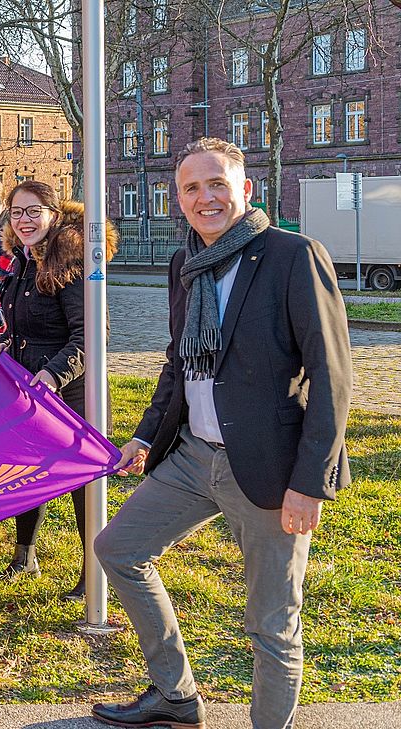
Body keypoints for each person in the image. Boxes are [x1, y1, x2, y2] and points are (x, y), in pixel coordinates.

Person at [91, 138, 352, 729]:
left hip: (266, 466)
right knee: (119, 549)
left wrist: (310, 482)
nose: (204, 198)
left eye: (216, 185)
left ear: (245, 190)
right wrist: (144, 435)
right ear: (178, 198)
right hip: (190, 457)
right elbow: (178, 360)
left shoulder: (292, 255)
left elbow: (334, 378)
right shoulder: (186, 264)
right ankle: (176, 696)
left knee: (271, 621)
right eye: (190, 188)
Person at [0, 181, 116, 600]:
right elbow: (21, 321)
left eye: (33, 212)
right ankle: (23, 556)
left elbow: (90, 337)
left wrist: (49, 377)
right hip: (29, 392)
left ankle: (93, 574)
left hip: (73, 394)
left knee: (84, 486)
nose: (24, 220)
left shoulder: (71, 262)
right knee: (27, 476)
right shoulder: (23, 262)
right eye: (16, 213)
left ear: (53, 213)